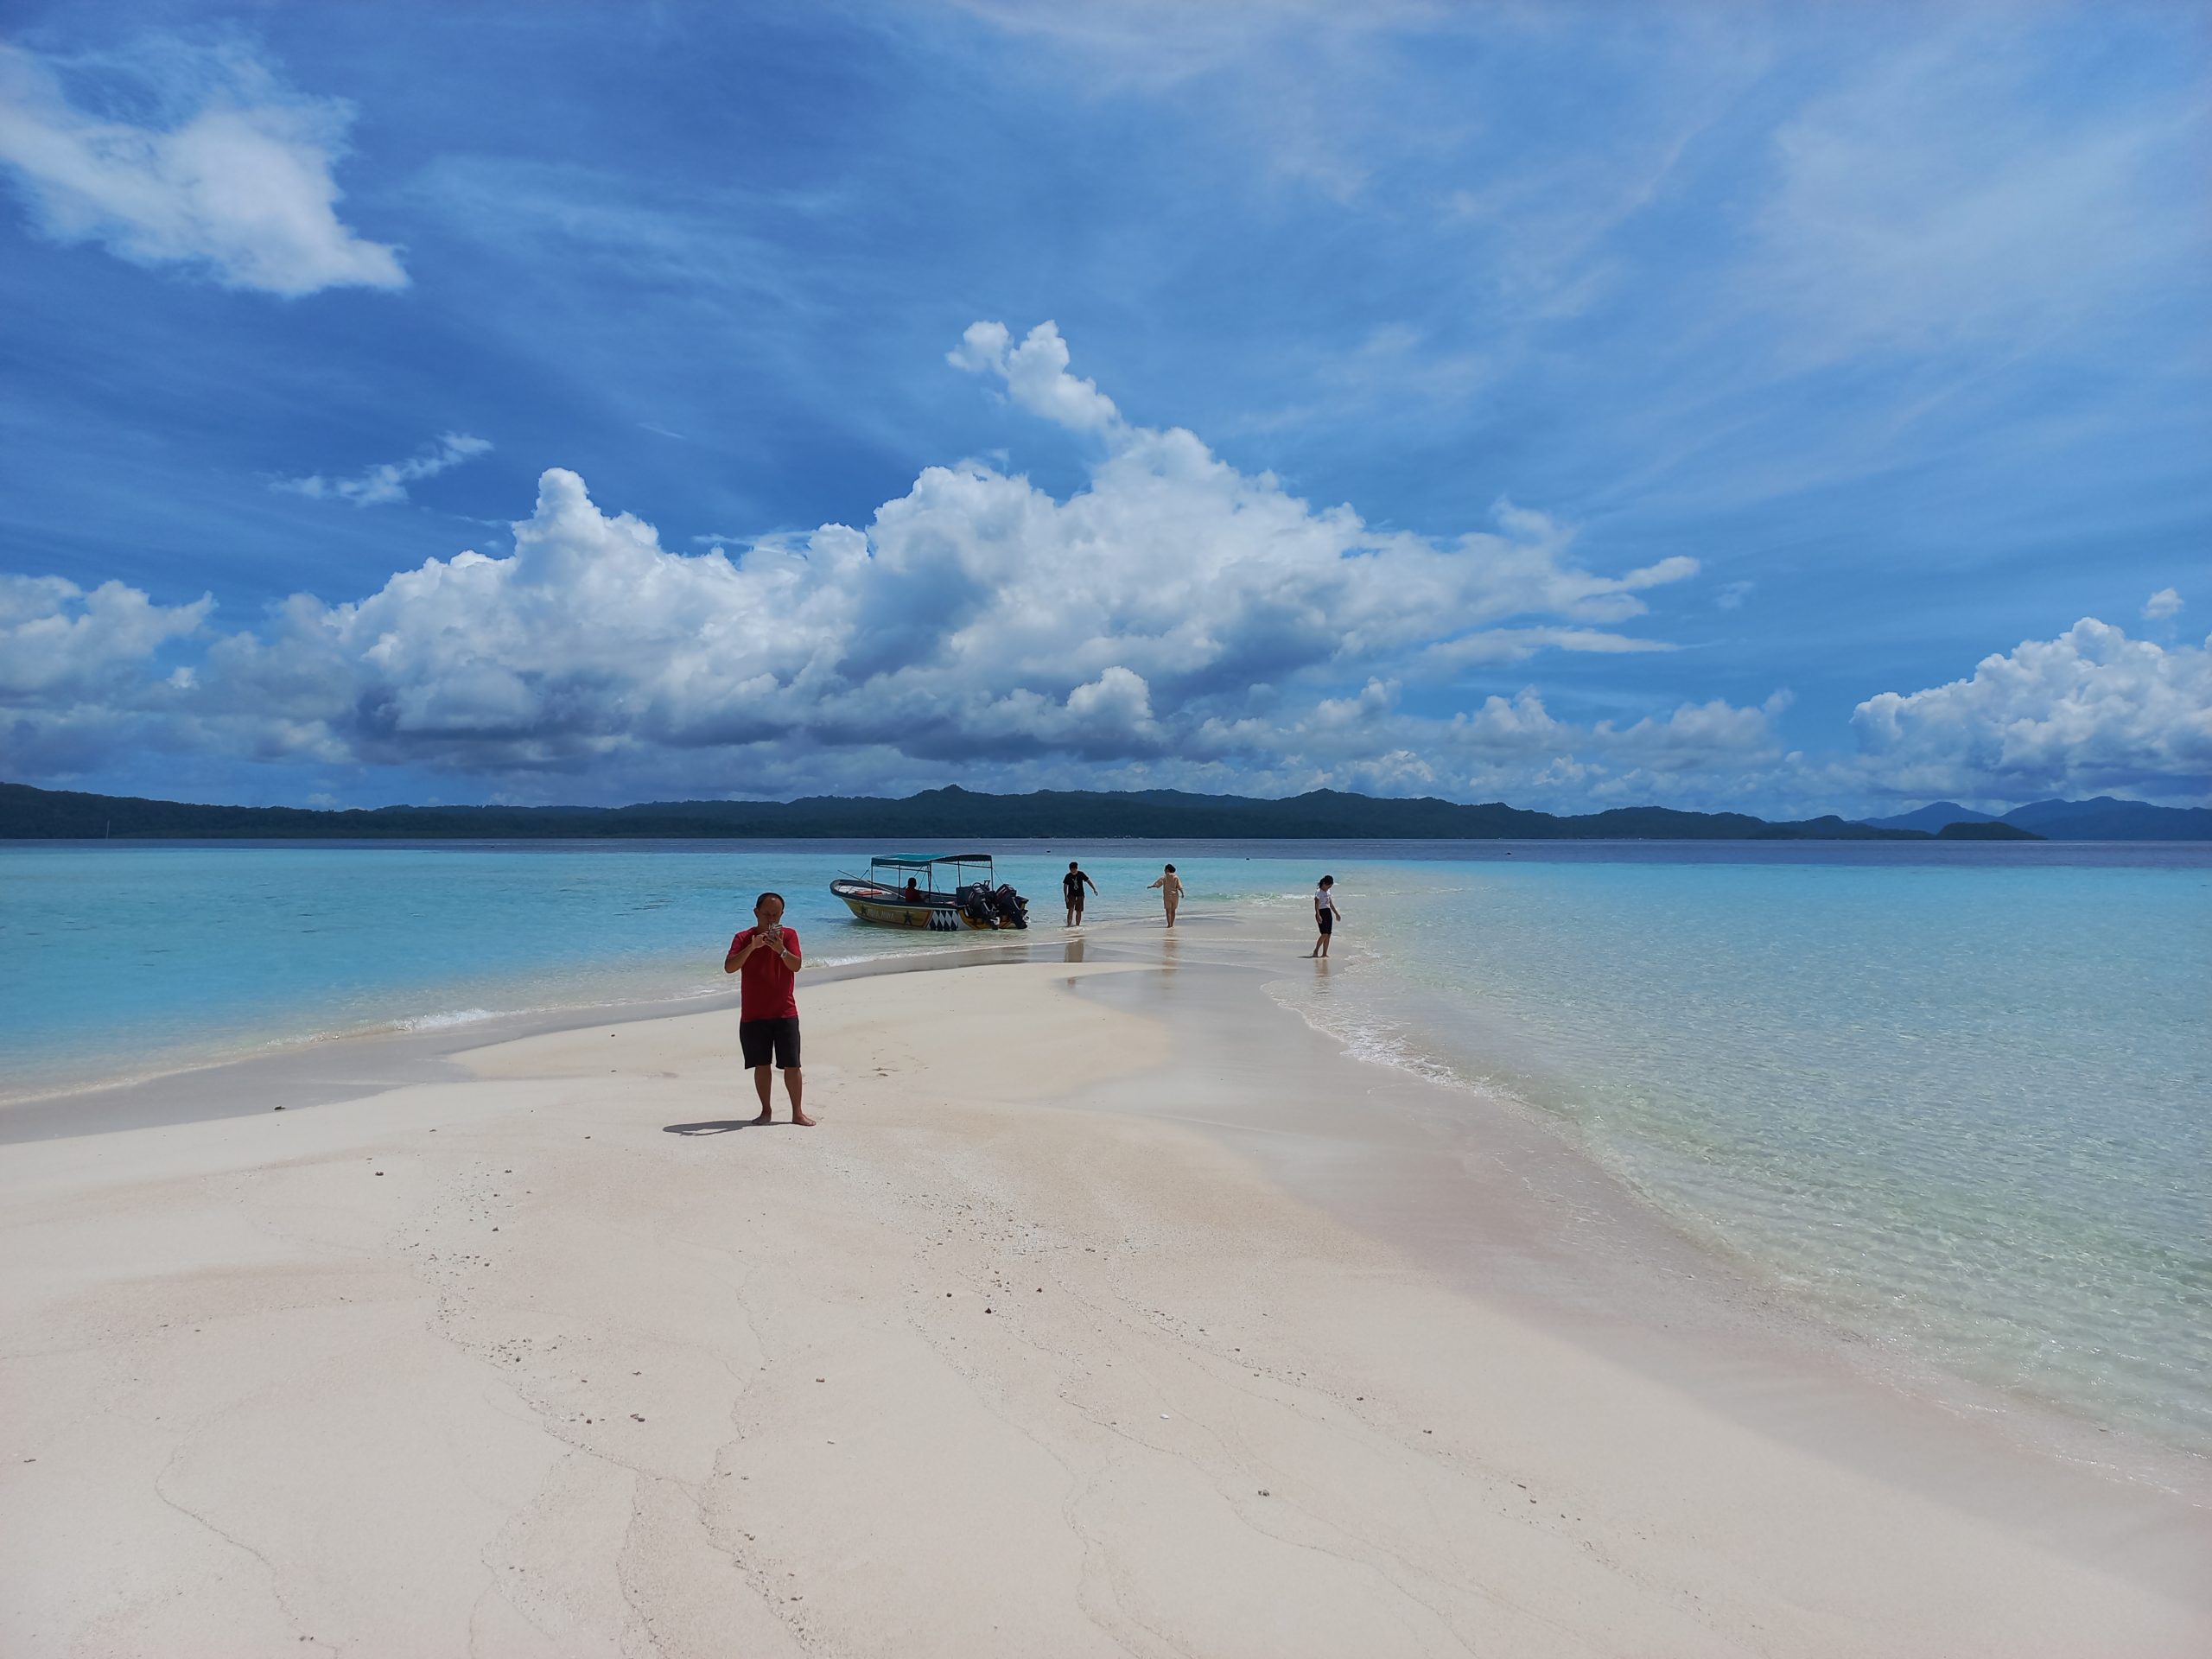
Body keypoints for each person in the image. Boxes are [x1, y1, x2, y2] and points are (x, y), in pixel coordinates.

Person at [724, 891, 812, 1126]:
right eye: (766, 915)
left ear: (782, 914)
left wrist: (780, 950)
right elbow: (730, 968)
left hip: (785, 1011)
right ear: (756, 913)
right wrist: (752, 947)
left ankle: (797, 1113)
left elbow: (796, 966)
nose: (771, 920)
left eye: (776, 915)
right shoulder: (743, 938)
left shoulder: (790, 935)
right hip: (754, 1014)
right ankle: (766, 1111)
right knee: (761, 1065)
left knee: (792, 1065)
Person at [1308, 874, 1340, 958]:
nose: (1330, 887)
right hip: (1321, 912)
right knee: (1324, 934)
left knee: (1329, 934)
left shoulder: (1328, 892)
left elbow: (1331, 904)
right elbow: (1316, 905)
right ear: (1325, 884)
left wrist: (1336, 913)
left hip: (1328, 912)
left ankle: (1324, 953)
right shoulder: (1318, 892)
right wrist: (1318, 915)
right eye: (1329, 885)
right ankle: (1316, 950)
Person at [1147, 862, 1184, 928]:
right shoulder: (1176, 877)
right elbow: (1179, 886)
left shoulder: (1164, 877)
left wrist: (1151, 886)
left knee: (1168, 911)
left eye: (1164, 869)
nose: (1164, 871)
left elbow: (1158, 884)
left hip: (1167, 896)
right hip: (1175, 896)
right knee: (1173, 911)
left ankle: (1169, 925)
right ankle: (1172, 925)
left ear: (1167, 870)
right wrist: (1182, 893)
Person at [1062, 861, 1099, 926]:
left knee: (1079, 910)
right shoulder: (1068, 876)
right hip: (1071, 894)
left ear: (1076, 868)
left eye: (1074, 869)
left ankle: (1077, 925)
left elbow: (1088, 881)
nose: (1072, 871)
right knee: (1071, 909)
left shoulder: (1081, 874)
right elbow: (1065, 887)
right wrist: (1065, 896)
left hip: (1080, 894)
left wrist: (1094, 889)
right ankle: (1069, 925)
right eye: (1071, 869)